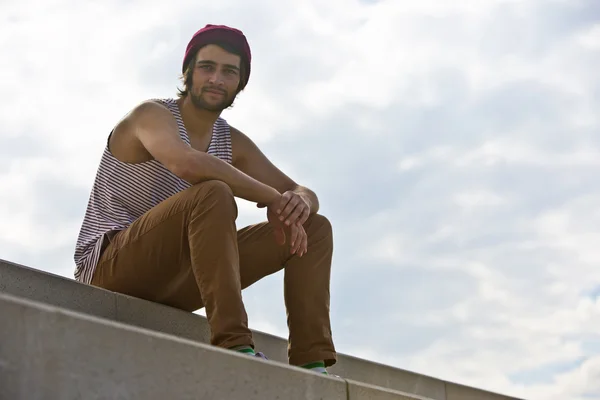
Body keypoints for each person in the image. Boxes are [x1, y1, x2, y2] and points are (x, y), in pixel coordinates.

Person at [73, 24, 337, 374]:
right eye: (206, 67)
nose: (216, 78)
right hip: (111, 268)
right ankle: (234, 346)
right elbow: (185, 162)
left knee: (315, 228)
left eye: (229, 72)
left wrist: (299, 204)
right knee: (213, 193)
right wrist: (274, 199)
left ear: (240, 84)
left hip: (179, 281)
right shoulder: (151, 115)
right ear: (188, 72)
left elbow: (301, 191)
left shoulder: (232, 141)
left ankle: (312, 363)